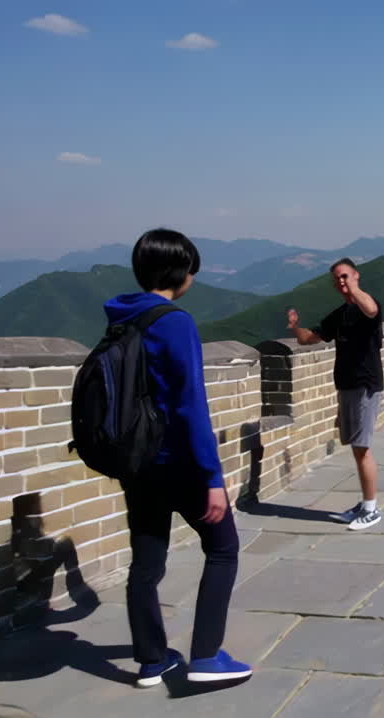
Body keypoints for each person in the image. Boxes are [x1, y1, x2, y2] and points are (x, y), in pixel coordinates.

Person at [105, 228, 250, 687]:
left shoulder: (120, 318)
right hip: (179, 463)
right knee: (224, 549)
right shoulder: (174, 321)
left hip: (137, 462)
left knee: (146, 564)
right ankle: (206, 656)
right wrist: (211, 476)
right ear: (180, 272)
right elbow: (190, 405)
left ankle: (151, 659)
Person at [287, 258, 384, 531]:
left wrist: (353, 289)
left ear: (356, 275)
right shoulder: (340, 314)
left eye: (345, 277)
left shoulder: (369, 305)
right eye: (337, 280)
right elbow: (309, 338)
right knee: (355, 447)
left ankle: (371, 509)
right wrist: (295, 327)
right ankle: (364, 503)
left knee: (363, 448)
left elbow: (371, 309)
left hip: (366, 384)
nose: (341, 283)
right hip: (347, 385)